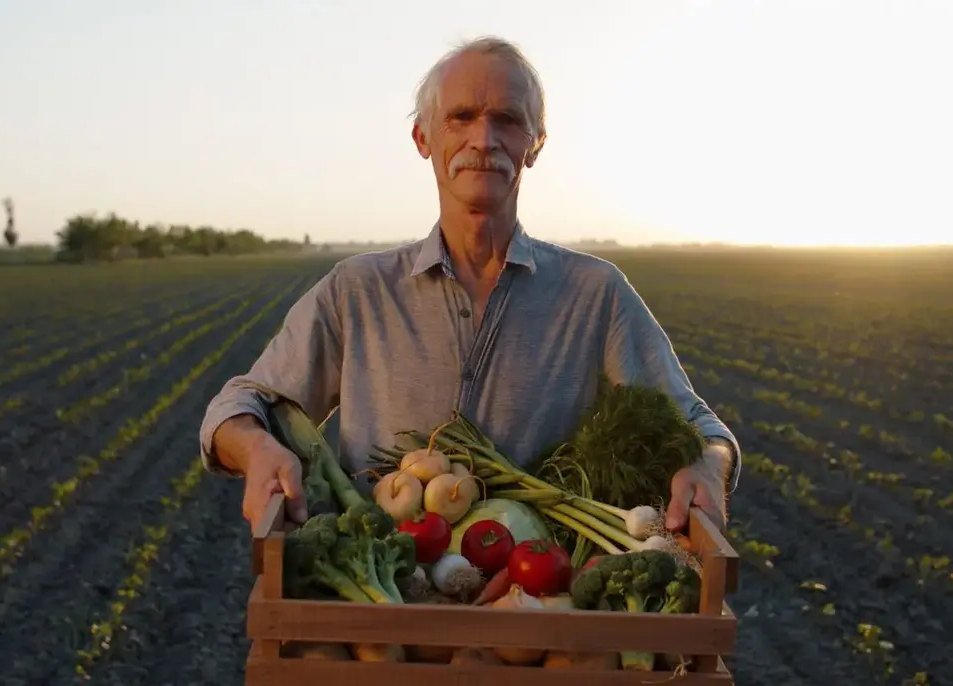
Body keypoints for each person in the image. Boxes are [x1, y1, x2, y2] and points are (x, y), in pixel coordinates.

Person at [198, 36, 741, 541]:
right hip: (383, 593)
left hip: (540, 595)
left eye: (507, 119)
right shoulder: (358, 292)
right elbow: (243, 403)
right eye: (460, 117)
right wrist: (256, 446)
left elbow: (695, 424)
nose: (484, 139)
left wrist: (708, 461)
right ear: (423, 137)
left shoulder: (594, 294)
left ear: (535, 144)